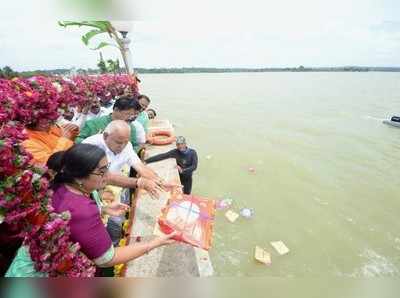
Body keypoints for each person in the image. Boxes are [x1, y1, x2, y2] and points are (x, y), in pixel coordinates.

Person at [5, 143, 176, 277]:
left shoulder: (56, 186)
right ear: (79, 176)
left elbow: (65, 218)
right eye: (102, 171)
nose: (108, 175)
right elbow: (107, 259)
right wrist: (154, 243)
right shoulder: (83, 209)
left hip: (25, 264)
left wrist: (102, 209)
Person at [82, 120, 166, 197]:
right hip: (87, 189)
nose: (122, 146)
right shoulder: (90, 145)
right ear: (105, 136)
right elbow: (105, 177)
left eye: (126, 142)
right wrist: (139, 182)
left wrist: (160, 182)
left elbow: (139, 166)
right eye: (119, 142)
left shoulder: (126, 145)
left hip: (111, 184)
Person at [75, 96, 140, 152]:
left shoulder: (131, 127)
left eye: (133, 115)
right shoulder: (93, 123)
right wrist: (95, 144)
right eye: (128, 114)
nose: (131, 117)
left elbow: (135, 146)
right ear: (116, 110)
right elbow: (78, 140)